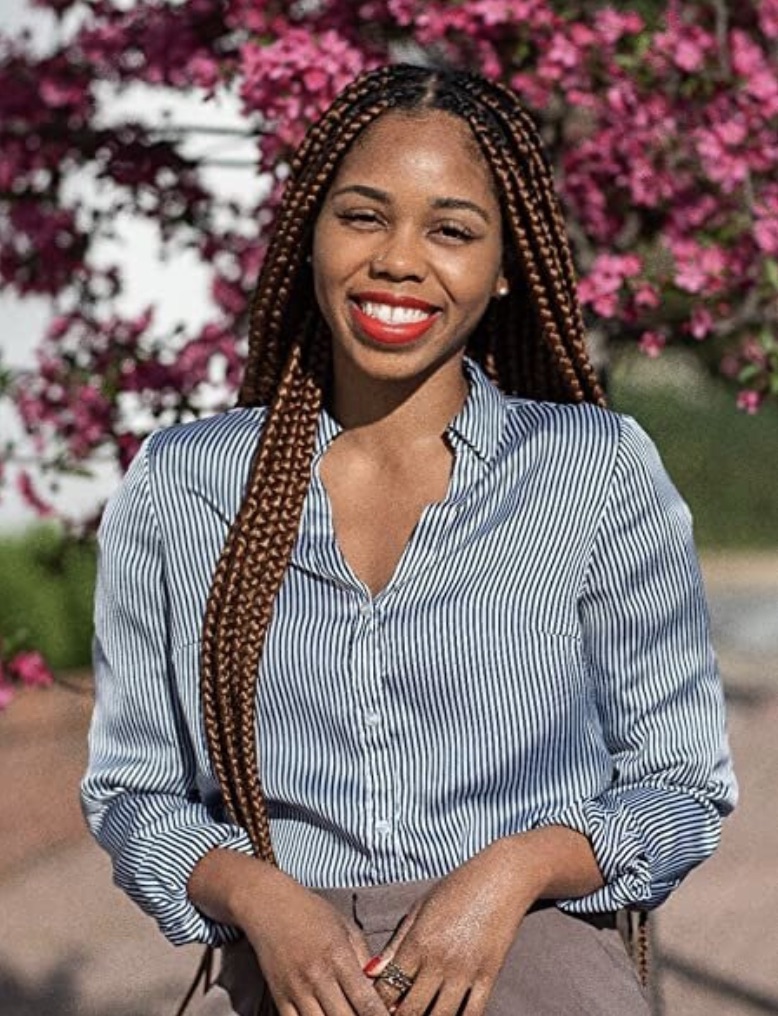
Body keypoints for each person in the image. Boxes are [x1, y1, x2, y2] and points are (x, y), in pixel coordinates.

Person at [81, 64, 737, 1016]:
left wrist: (511, 874)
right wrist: (263, 901)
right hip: (287, 970)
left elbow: (681, 783)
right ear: (310, 234)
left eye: (452, 230)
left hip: (530, 957)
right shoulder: (186, 484)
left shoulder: (595, 472)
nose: (399, 259)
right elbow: (132, 791)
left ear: (506, 265)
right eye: (362, 216)